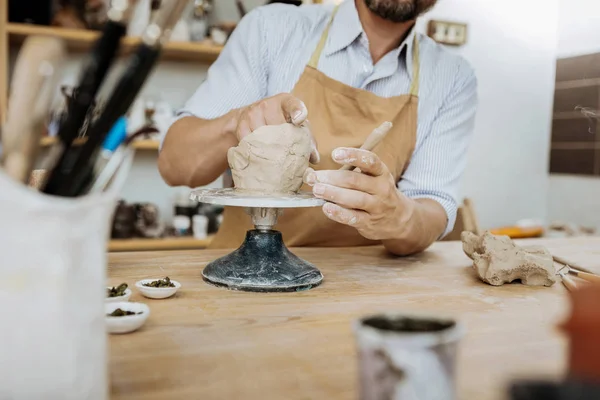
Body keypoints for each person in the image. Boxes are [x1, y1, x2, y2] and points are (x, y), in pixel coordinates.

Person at [158, 0, 478, 255]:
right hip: (245, 276)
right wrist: (235, 122)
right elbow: (174, 165)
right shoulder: (273, 29)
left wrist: (400, 216)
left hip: (359, 290)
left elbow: (433, 208)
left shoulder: (451, 77)